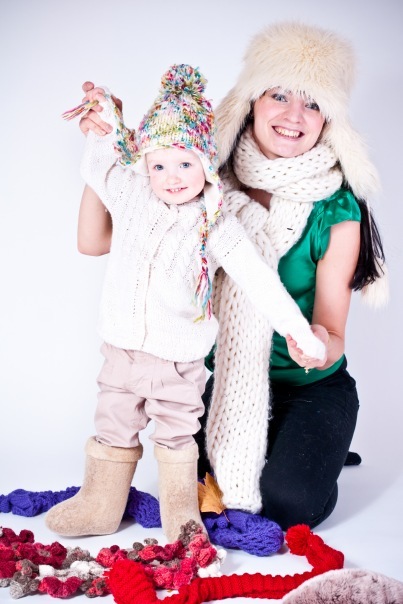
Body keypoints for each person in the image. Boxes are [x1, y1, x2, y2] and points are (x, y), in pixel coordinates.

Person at [73, 22, 387, 531]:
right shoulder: (201, 178)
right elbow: (96, 240)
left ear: (329, 119)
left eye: (312, 103)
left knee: (288, 505)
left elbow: (333, 334)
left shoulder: (337, 208)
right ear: (251, 101)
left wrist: (313, 342)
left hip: (306, 384)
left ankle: (317, 442)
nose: (293, 115)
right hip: (216, 381)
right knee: (190, 486)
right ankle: (285, 446)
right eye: (279, 94)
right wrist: (113, 152)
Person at [45, 63, 325, 541]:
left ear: (206, 165)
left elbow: (258, 281)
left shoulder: (215, 224)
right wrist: (105, 118)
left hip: (178, 360)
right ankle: (100, 503)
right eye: (159, 165)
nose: (171, 177)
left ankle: (181, 513)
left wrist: (299, 331)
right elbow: (100, 165)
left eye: (185, 164)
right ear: (145, 165)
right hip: (122, 349)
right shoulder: (132, 195)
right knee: (113, 424)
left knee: (177, 434)